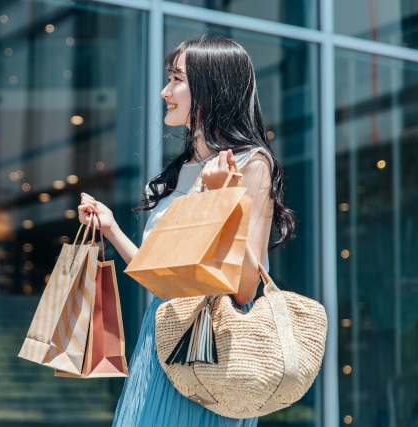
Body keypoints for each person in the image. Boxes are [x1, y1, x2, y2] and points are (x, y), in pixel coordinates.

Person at [78, 33, 296, 427]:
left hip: (214, 344)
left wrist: (218, 202)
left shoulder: (251, 163)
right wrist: (111, 230)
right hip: (161, 333)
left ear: (212, 88)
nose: (165, 91)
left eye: (177, 79)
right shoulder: (178, 171)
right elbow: (164, 278)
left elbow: (244, 288)